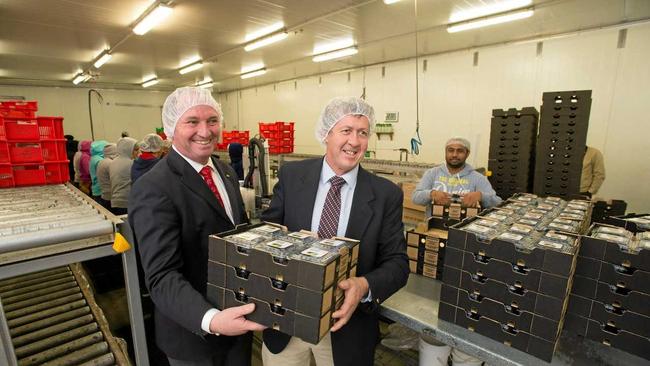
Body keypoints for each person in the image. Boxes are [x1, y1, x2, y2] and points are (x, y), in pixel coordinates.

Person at [261, 96, 409, 366]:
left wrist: (364, 285)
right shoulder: (293, 176)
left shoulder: (385, 194)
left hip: (346, 329)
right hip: (287, 322)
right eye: (346, 130)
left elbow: (398, 264)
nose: (354, 141)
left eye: (363, 133)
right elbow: (266, 233)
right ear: (326, 134)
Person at [129, 87, 265, 366]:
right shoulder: (154, 187)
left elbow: (234, 235)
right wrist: (212, 319)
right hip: (194, 336)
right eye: (192, 122)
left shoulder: (224, 171)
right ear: (171, 128)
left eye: (212, 121)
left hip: (237, 323)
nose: (205, 131)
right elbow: (161, 276)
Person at [412, 137, 502, 214]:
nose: (454, 155)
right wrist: (431, 194)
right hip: (435, 227)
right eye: (451, 150)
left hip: (465, 229)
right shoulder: (432, 173)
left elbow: (498, 203)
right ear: (445, 152)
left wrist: (481, 196)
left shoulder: (478, 178)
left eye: (460, 151)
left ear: (467, 154)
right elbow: (415, 198)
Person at [109, 137, 137, 215]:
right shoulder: (131, 163)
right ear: (128, 149)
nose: (137, 153)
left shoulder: (113, 162)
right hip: (126, 201)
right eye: (135, 150)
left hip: (115, 200)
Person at [96, 143, 117, 209]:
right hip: (111, 196)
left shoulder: (101, 161)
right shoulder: (110, 163)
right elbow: (115, 180)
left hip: (104, 195)